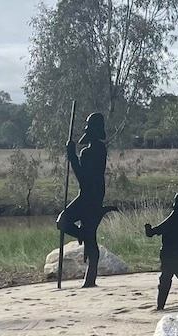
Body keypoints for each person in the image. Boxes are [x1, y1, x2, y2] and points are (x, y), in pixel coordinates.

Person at [57, 112, 115, 288]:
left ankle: (90, 277)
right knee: (86, 234)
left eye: (89, 125)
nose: (85, 128)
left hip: (90, 196)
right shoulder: (96, 149)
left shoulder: (91, 151)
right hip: (91, 194)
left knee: (64, 222)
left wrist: (72, 157)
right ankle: (90, 277)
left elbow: (83, 177)